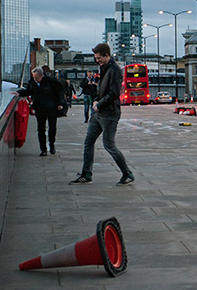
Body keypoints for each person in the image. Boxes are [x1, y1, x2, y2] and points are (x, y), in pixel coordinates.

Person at [70, 43, 135, 186]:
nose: (97, 60)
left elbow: (114, 93)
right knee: (88, 142)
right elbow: (102, 91)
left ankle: (127, 173)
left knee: (109, 145)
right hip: (98, 113)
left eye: (99, 58)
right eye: (96, 58)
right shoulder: (103, 68)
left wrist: (99, 104)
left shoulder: (115, 70)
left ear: (107, 55)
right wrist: (96, 100)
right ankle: (86, 174)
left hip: (110, 113)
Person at [15, 67, 65, 156]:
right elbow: (29, 91)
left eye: (37, 77)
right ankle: (43, 149)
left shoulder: (51, 82)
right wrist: (19, 93)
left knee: (52, 128)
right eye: (34, 77)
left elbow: (59, 92)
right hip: (39, 108)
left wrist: (60, 104)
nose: (35, 79)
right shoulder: (32, 83)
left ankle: (51, 144)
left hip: (51, 108)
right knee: (41, 129)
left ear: (42, 76)